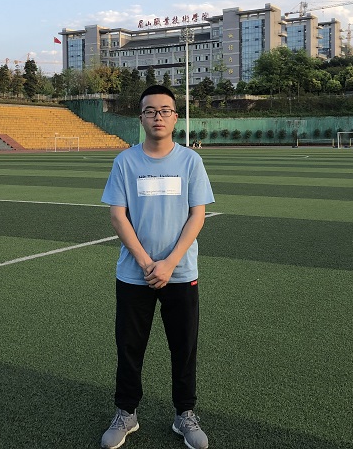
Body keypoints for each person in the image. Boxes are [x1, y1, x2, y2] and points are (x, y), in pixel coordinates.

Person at [101, 85, 214, 449]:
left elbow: (197, 216)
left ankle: (185, 414)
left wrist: (169, 263)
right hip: (134, 274)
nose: (158, 117)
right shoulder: (125, 162)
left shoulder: (190, 162)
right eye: (150, 111)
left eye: (165, 110)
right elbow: (118, 216)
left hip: (180, 273)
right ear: (141, 118)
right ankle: (126, 413)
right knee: (129, 347)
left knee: (184, 347)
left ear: (175, 117)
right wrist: (147, 262)